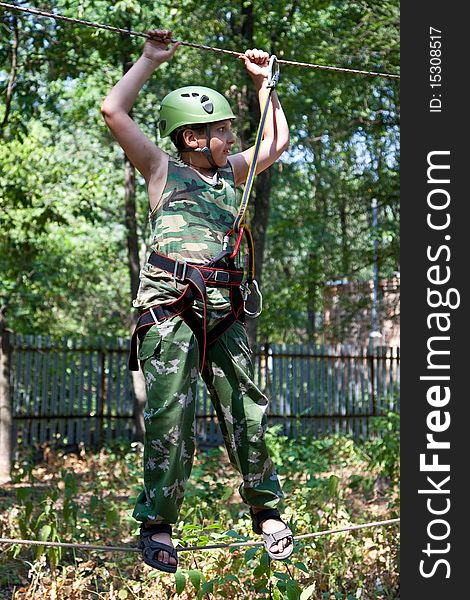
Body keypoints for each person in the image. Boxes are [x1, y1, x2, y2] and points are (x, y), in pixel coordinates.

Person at [101, 29, 293, 573]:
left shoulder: (231, 174)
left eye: (232, 129)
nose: (232, 138)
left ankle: (267, 514)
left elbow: (275, 143)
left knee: (246, 411)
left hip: (226, 310)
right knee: (170, 417)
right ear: (190, 137)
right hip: (169, 309)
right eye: (221, 130)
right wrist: (149, 59)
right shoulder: (163, 169)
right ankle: (158, 525)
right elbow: (114, 110)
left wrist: (263, 86)